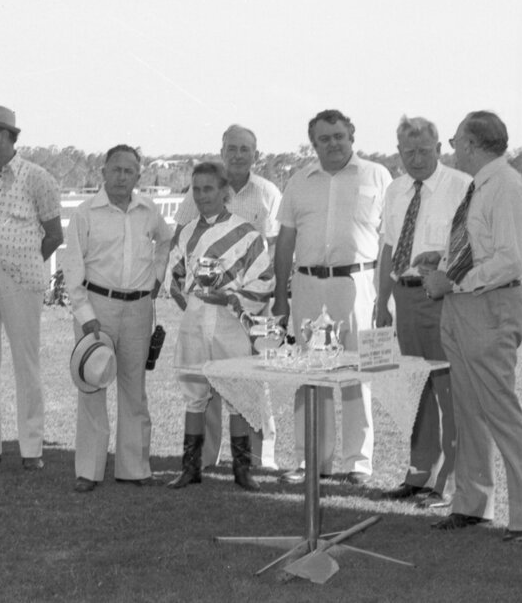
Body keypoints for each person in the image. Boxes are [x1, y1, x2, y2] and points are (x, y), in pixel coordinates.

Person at [423, 111, 522, 542]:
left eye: (455, 141)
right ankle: (473, 504)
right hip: (465, 305)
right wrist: (443, 260)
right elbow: (484, 247)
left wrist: (453, 279)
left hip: (489, 306)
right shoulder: (482, 186)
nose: (453, 148)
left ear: (471, 144)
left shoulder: (505, 186)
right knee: (468, 410)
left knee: (500, 411)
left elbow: (510, 259)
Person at [273, 110, 392, 485]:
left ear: (351, 134)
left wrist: (385, 298)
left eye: (338, 135)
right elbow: (286, 241)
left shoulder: (378, 176)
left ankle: (358, 462)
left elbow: (390, 239)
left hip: (358, 285)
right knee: (312, 373)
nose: (333, 143)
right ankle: (312, 461)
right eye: (324, 139)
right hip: (308, 286)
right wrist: (281, 294)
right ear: (314, 143)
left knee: (359, 372)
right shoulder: (299, 181)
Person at [62, 144, 173, 493]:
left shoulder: (148, 210)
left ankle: (134, 467)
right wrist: (85, 313)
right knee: (92, 386)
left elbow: (167, 242)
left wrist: (156, 279)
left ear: (138, 176)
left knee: (133, 388)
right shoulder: (85, 213)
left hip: (138, 308)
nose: (122, 176)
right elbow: (72, 266)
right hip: (97, 306)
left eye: (129, 171)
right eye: (116, 170)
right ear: (104, 173)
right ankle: (89, 470)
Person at [0, 105, 63, 470]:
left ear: (5, 136)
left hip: (23, 281)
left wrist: (25, 261)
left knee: (26, 362)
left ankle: (31, 448)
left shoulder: (38, 178)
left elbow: (54, 234)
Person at [173, 124, 283, 473]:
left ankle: (242, 470)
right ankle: (191, 469)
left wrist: (232, 299)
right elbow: (173, 275)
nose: (203, 195)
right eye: (197, 190)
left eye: (209, 189)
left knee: (239, 392)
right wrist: (190, 300)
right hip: (195, 322)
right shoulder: (188, 232)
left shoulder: (247, 233)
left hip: (231, 323)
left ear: (224, 193)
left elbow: (264, 278)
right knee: (195, 393)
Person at [375, 116, 470, 508]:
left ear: (439, 150)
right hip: (405, 297)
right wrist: (382, 302)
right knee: (417, 388)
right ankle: (418, 474)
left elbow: (469, 248)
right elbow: (386, 248)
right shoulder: (395, 190)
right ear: (398, 153)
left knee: (449, 390)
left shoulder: (461, 186)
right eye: (407, 152)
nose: (415, 159)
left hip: (443, 300)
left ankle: (446, 483)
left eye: (423, 151)